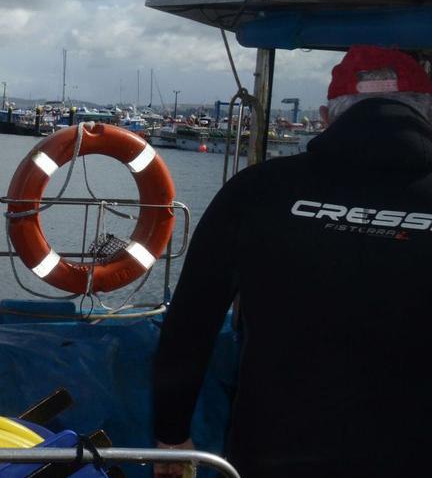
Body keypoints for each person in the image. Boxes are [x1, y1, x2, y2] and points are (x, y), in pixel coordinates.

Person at [152, 46, 432, 477]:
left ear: (326, 115)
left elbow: (191, 320)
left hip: (273, 451)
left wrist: (171, 435)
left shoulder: (258, 190)